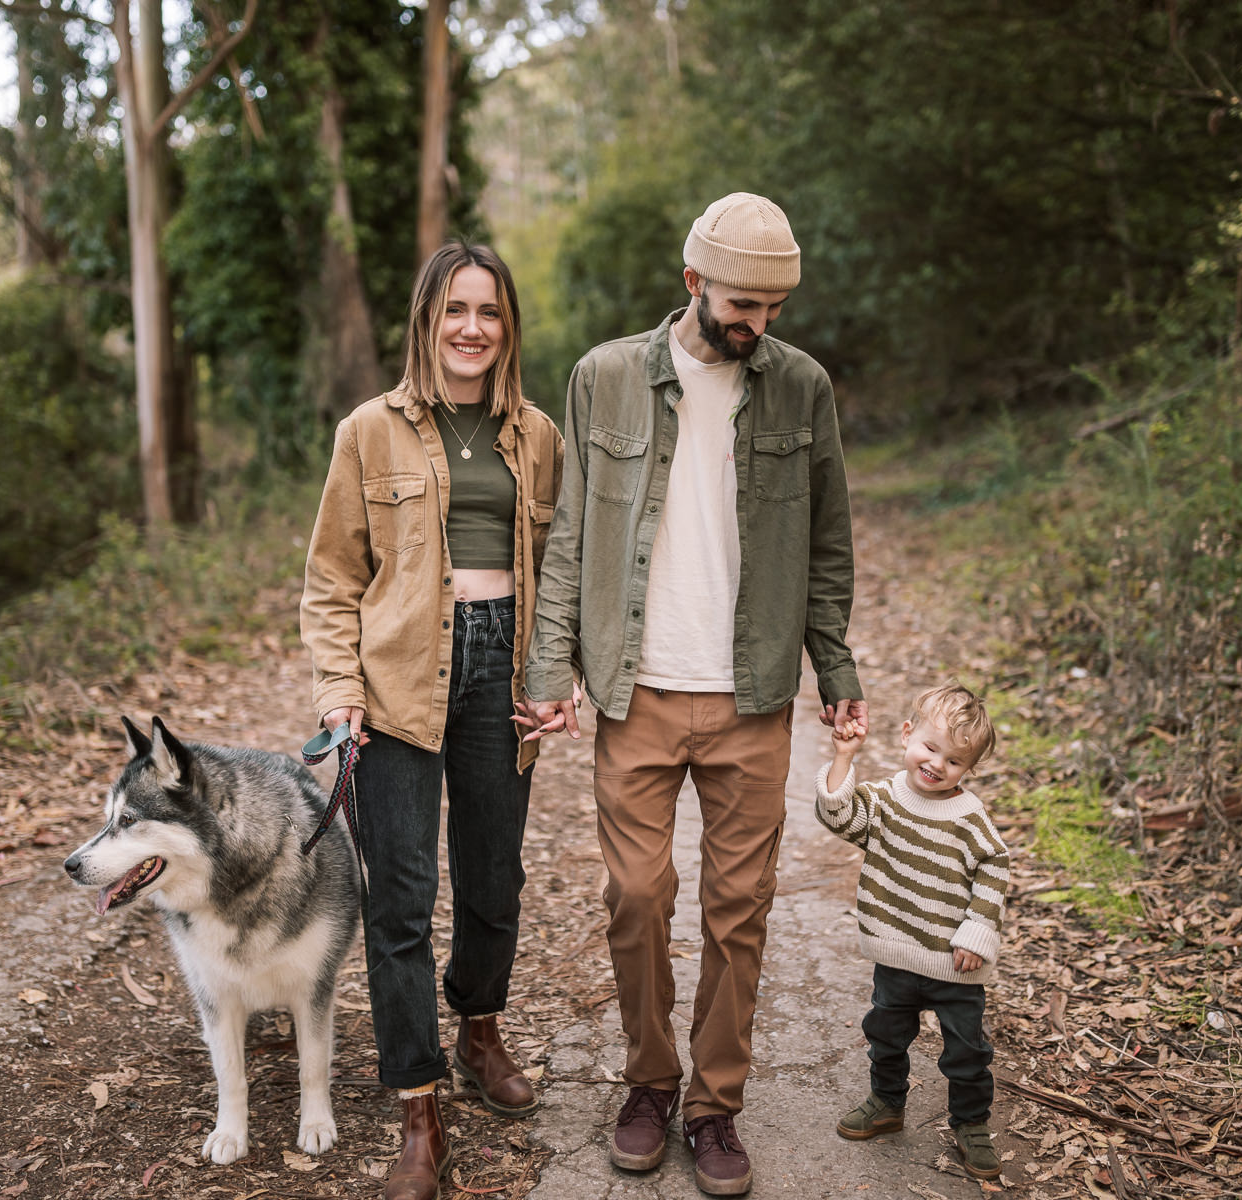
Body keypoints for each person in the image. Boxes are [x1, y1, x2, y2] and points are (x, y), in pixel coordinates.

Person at [518, 192, 865, 1196]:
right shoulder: (606, 379)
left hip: (752, 694)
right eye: (737, 301)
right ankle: (646, 1080)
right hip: (636, 690)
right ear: (690, 284)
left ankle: (713, 1106)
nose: (753, 321)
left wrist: (833, 672)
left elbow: (830, 545)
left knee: (737, 908)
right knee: (636, 897)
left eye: (769, 306)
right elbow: (571, 535)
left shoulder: (802, 389)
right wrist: (549, 672)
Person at [300, 242, 563, 1200]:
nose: (471, 328)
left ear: (508, 326)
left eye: (489, 311)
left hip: (503, 675)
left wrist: (556, 673)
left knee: (495, 882)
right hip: (398, 679)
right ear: (425, 319)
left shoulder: (535, 433)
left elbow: (561, 573)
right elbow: (331, 579)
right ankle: (418, 1105)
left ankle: (480, 1028)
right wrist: (339, 690)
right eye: (455, 309)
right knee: (399, 903)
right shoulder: (367, 431)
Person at [815, 683, 1011, 1181]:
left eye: (954, 761)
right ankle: (887, 1102)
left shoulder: (969, 817)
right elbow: (838, 815)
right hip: (896, 951)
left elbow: (995, 866)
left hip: (955, 962)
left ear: (968, 771)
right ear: (907, 735)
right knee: (885, 1033)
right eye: (930, 747)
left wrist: (977, 930)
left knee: (967, 1051)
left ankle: (971, 1124)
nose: (937, 764)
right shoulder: (883, 800)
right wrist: (844, 755)